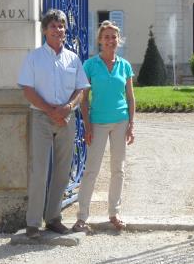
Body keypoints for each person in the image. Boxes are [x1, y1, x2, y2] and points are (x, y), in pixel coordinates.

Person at [18, 9, 90, 239]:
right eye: (53, 26)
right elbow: (27, 90)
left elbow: (81, 89)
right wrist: (51, 110)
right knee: (39, 170)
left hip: (67, 119)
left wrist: (68, 108)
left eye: (61, 26)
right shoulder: (34, 57)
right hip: (41, 117)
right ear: (44, 30)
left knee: (62, 170)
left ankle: (53, 218)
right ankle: (32, 223)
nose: (58, 30)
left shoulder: (73, 58)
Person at [73, 20, 136, 233]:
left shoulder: (125, 65)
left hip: (120, 121)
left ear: (118, 40)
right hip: (98, 122)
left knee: (119, 169)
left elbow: (130, 98)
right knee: (91, 170)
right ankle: (82, 217)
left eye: (114, 37)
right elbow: (83, 99)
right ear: (100, 40)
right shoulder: (90, 65)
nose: (110, 41)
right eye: (106, 37)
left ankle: (114, 213)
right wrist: (87, 126)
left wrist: (131, 124)